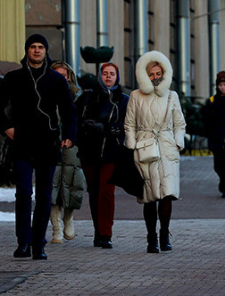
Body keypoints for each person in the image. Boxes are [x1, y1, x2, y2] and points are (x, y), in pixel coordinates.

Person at [0, 34, 77, 260]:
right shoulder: (13, 78)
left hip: (47, 142)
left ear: (45, 51)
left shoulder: (56, 79)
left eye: (40, 47)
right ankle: (23, 242)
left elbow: (69, 109)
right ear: (27, 50)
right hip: (22, 142)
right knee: (23, 192)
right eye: (33, 47)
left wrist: (70, 135)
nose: (36, 50)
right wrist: (7, 127)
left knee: (44, 196)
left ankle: (38, 243)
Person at [124, 51, 186, 253]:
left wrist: (178, 142)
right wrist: (132, 144)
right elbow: (129, 124)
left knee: (167, 194)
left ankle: (165, 234)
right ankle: (151, 237)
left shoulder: (172, 96)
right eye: (151, 73)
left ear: (165, 73)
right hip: (145, 148)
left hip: (167, 147)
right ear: (144, 74)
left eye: (159, 72)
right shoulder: (135, 96)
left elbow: (180, 123)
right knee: (149, 196)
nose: (155, 77)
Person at [76, 62, 129, 249]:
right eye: (105, 73)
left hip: (112, 152)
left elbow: (127, 126)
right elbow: (74, 119)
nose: (108, 77)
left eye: (112, 74)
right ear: (100, 76)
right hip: (89, 152)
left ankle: (106, 233)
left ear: (117, 77)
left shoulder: (123, 99)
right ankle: (98, 232)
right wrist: (84, 129)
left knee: (107, 192)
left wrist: (106, 129)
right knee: (94, 192)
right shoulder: (88, 97)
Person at [49, 61, 86, 244]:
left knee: (72, 183)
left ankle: (68, 218)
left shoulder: (78, 96)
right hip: (50, 144)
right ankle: (56, 228)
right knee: (52, 184)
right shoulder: (44, 94)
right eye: (57, 75)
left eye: (64, 75)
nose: (61, 79)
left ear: (69, 76)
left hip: (72, 145)